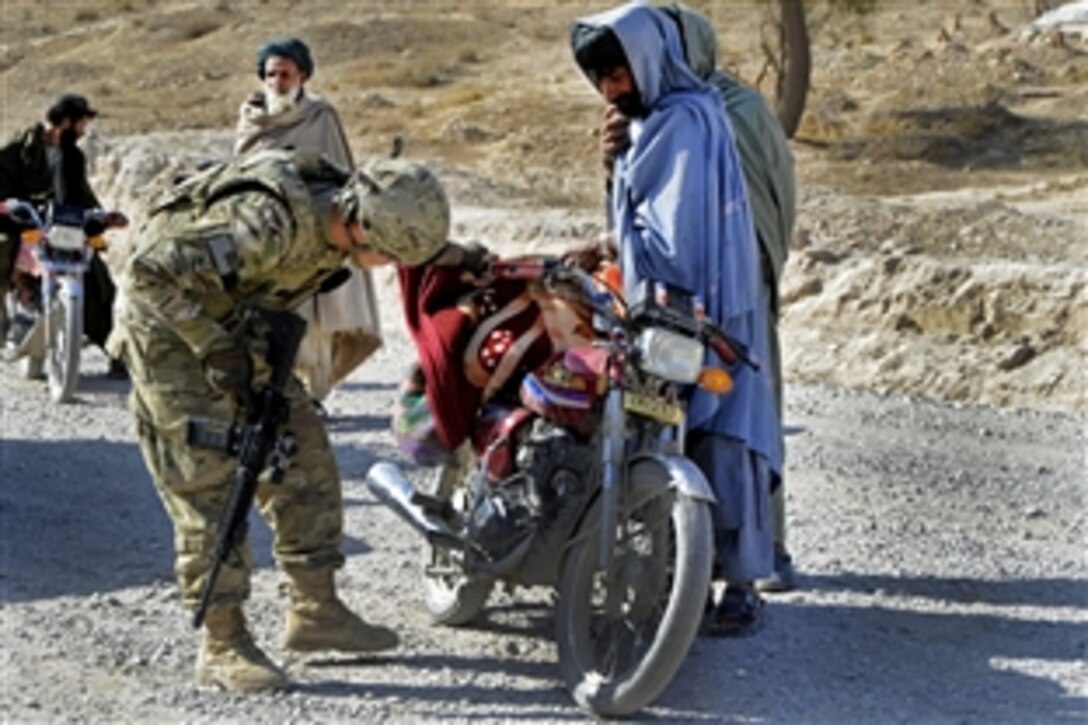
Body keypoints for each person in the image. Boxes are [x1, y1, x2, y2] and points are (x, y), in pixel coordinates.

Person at [106, 148, 452, 693]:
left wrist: (469, 258)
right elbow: (148, 276)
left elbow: (414, 240)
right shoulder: (263, 225)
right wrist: (214, 347)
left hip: (237, 325)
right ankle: (221, 642)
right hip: (169, 336)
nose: (386, 267)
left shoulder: (361, 213)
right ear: (359, 226)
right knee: (209, 483)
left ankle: (316, 611)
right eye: (386, 256)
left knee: (305, 456)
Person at [571, 1, 781, 635]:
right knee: (681, 429)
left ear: (653, 60)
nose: (612, 87)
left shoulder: (682, 121)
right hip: (684, 305)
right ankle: (682, 574)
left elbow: (675, 234)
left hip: (698, 307)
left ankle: (738, 585)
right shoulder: (669, 117)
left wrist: (614, 252)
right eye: (602, 76)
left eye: (621, 71)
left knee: (720, 435)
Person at [235, 37, 383, 402]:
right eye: (270, 74)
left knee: (316, 318)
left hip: (315, 232)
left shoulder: (321, 117)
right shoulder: (251, 117)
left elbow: (341, 176)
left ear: (302, 75)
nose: (277, 82)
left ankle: (314, 398)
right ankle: (274, 392)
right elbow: (239, 173)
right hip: (267, 236)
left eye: (286, 74)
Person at [0, 94, 127, 377]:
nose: (83, 132)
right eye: (80, 124)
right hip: (20, 222)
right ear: (64, 122)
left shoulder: (72, 156)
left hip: (61, 227)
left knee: (99, 280)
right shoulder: (18, 149)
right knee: (4, 249)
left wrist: (101, 219)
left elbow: (82, 195)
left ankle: (116, 352)